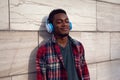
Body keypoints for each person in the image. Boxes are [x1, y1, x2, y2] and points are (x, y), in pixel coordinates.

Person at [36, 9, 90, 80]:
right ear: (50, 26)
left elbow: (84, 71)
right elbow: (41, 77)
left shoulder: (78, 46)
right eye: (59, 22)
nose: (64, 24)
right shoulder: (43, 50)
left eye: (67, 21)